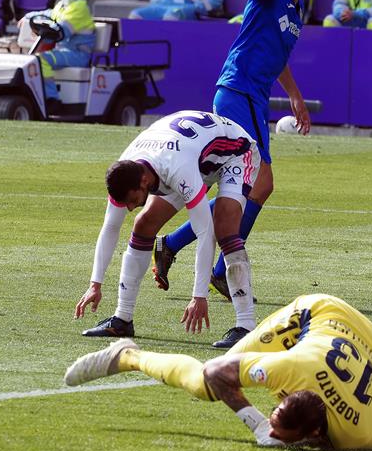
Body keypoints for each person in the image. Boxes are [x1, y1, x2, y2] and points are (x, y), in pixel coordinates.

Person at [152, 0, 323, 340]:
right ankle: (216, 269)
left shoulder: (295, 12)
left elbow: (278, 60)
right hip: (235, 92)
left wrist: (296, 96)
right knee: (252, 186)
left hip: (255, 100)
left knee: (256, 188)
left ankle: (174, 246)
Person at [65, 293, 372, 449]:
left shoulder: (356, 436)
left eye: (275, 433)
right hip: (319, 313)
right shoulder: (286, 369)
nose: (271, 433)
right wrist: (255, 422)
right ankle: (127, 356)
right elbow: (217, 372)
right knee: (205, 384)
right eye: (275, 425)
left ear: (314, 432)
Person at [74, 110, 261, 349]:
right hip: (190, 156)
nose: (129, 207)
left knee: (224, 227)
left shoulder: (177, 169)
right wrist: (95, 284)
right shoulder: (127, 168)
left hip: (235, 152)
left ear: (143, 181)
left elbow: (205, 232)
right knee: (143, 224)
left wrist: (199, 296)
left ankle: (246, 326)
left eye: (132, 200)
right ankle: (122, 319)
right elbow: (110, 226)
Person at [18, 0, 96, 114]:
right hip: (65, 52)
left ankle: (52, 100)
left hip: (78, 54)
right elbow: (47, 14)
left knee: (41, 60)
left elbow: (61, 30)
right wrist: (28, 17)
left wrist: (43, 26)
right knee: (33, 58)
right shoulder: (61, 7)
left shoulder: (79, 7)